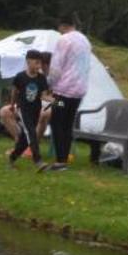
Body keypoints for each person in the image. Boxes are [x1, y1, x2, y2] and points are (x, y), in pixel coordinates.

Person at [42, 14, 92, 172]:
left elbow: (56, 67)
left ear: (62, 26)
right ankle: (63, 158)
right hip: (79, 91)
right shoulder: (85, 40)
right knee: (68, 123)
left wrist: (48, 83)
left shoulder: (64, 40)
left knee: (57, 122)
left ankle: (60, 161)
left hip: (63, 92)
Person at [2, 50, 52, 167]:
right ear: (28, 62)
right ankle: (38, 161)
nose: (39, 66)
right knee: (32, 133)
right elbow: (14, 91)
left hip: (36, 111)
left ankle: (12, 158)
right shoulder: (20, 77)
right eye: (37, 63)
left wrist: (59, 102)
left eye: (40, 63)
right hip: (24, 110)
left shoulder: (41, 78)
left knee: (25, 140)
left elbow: (44, 96)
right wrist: (12, 105)